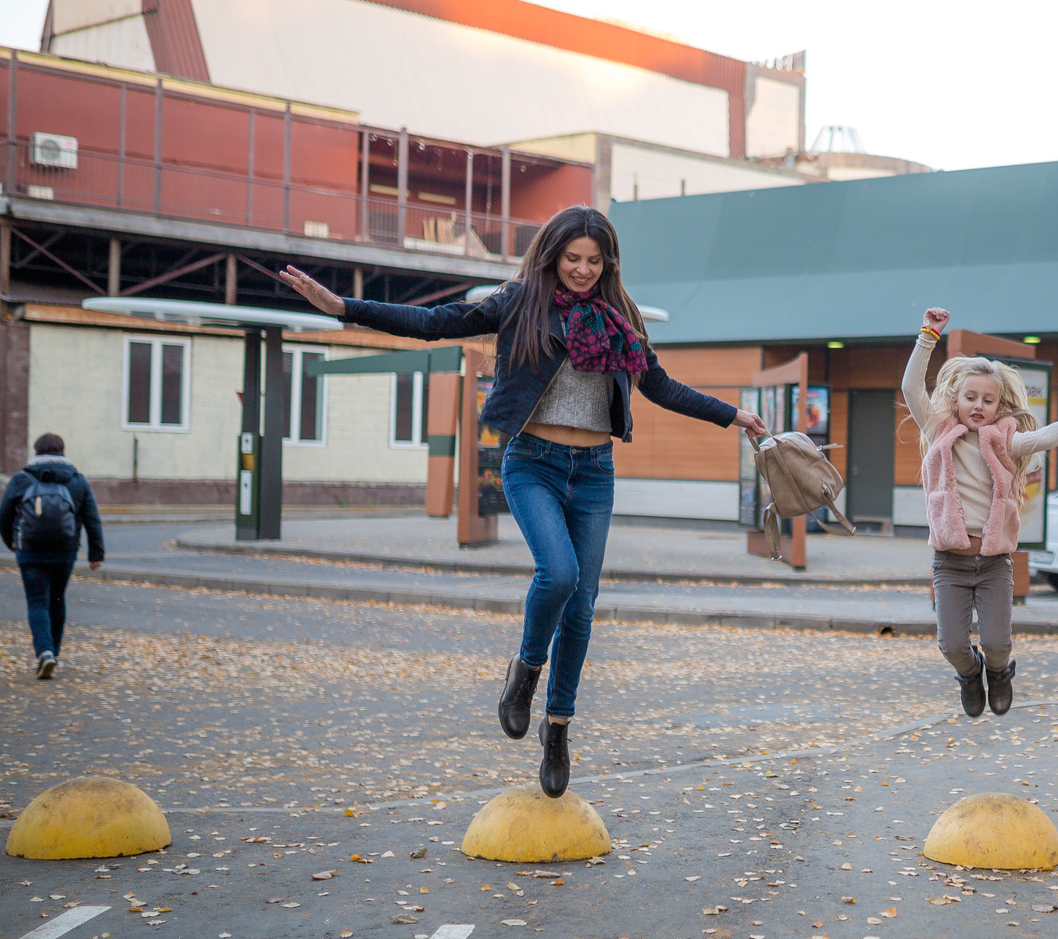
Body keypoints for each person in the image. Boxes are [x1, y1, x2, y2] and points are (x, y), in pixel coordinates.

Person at [277, 207, 766, 797]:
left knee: (582, 608)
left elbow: (658, 385)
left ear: (607, 262)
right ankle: (525, 670)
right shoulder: (519, 303)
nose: (582, 270)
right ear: (553, 255)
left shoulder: (621, 318)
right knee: (556, 574)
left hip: (594, 473)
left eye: (593, 260)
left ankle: (557, 728)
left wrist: (732, 414)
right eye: (572, 258)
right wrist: (345, 309)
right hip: (533, 462)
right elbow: (436, 321)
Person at [903, 308, 1058, 716]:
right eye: (970, 397)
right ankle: (970, 675)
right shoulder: (938, 429)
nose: (978, 405)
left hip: (993, 564)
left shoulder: (1005, 440)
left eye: (988, 400)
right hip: (950, 563)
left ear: (998, 406)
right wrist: (928, 336)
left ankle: (1000, 672)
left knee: (997, 644)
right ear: (955, 399)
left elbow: (1046, 435)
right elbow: (910, 386)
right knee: (952, 645)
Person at [0, 433, 105, 679]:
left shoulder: (21, 479)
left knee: (37, 602)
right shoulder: (77, 480)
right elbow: (92, 519)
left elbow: (3, 516)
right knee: (57, 600)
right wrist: (95, 553)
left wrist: (11, 542)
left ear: (36, 452)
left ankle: (44, 653)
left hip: (30, 552)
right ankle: (53, 653)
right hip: (65, 551)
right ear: (62, 452)